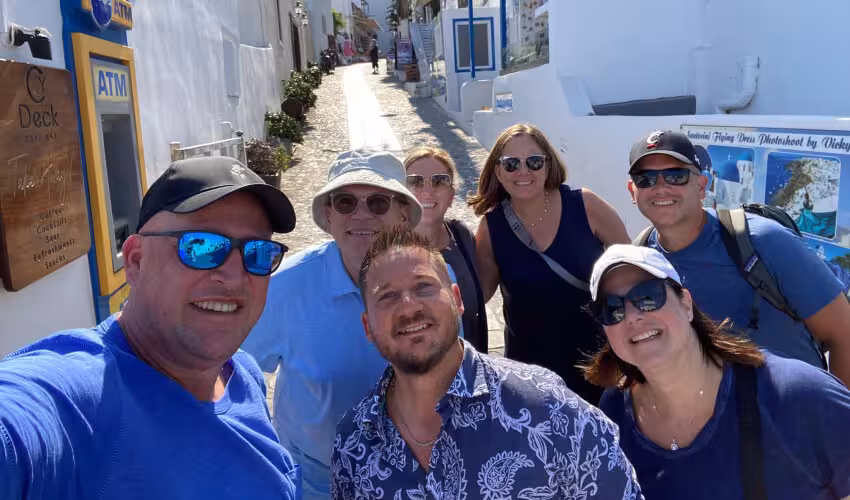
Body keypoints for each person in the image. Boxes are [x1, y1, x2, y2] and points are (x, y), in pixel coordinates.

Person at [0, 157, 301, 499]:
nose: (234, 277)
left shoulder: (242, 374)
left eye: (258, 252)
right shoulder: (83, 399)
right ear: (136, 261)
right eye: (201, 247)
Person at [331, 227, 643, 500]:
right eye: (387, 296)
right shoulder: (353, 441)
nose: (408, 306)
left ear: (457, 300)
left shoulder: (550, 411)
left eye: (423, 286)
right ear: (368, 326)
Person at [584, 244, 850, 499]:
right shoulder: (613, 415)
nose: (632, 316)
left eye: (648, 297)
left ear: (686, 304)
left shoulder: (800, 397)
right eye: (613, 309)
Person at [241, 149, 423, 500]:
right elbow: (231, 369)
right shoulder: (285, 286)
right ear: (328, 213)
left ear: (402, 212)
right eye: (345, 202)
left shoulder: (432, 281)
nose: (361, 214)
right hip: (317, 486)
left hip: (410, 479)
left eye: (378, 203)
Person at [627, 130, 850, 387]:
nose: (661, 187)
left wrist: (838, 419)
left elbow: (842, 331)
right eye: (646, 179)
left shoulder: (763, 241)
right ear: (632, 191)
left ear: (701, 185)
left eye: (676, 176)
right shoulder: (642, 259)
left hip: (792, 420)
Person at [469, 123, 630, 404]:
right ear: (497, 171)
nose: (523, 171)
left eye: (533, 162)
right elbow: (478, 295)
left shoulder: (586, 206)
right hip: (530, 376)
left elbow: (632, 270)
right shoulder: (491, 228)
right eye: (511, 164)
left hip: (598, 367)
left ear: (548, 165)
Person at [404, 147, 488, 352]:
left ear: (451, 195)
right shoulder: (388, 251)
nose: (427, 190)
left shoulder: (461, 236)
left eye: (439, 181)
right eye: (415, 181)